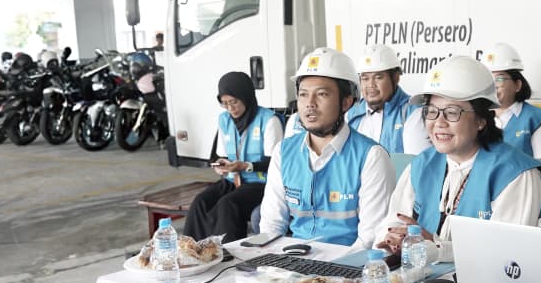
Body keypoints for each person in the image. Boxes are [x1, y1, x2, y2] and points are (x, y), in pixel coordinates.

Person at [377, 55, 541, 262]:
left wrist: (436, 248)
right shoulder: (421, 165)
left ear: (481, 120)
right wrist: (394, 238)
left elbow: (507, 256)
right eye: (431, 111)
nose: (439, 122)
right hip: (426, 277)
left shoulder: (515, 174)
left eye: (452, 112)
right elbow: (392, 223)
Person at [258, 47, 395, 248]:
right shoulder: (283, 152)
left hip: (348, 263)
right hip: (293, 260)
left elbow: (370, 239)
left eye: (321, 94)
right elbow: (271, 225)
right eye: (303, 94)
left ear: (346, 102)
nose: (310, 104)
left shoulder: (371, 157)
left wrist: (334, 267)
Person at [184, 71, 282, 241]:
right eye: (225, 103)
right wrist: (221, 165)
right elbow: (221, 155)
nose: (230, 108)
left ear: (246, 96)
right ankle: (193, 249)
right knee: (201, 201)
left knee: (227, 204)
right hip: (233, 180)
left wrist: (246, 166)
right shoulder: (224, 120)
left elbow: (275, 163)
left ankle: (227, 251)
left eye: (234, 102)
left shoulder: (268, 120)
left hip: (261, 185)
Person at [345, 43, 430, 154]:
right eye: (365, 79)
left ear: (395, 78)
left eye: (378, 77)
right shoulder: (351, 113)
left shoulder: (413, 112)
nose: (371, 85)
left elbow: (417, 162)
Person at [481, 43, 541, 159]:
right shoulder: (478, 118)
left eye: (499, 79)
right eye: (488, 79)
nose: (493, 86)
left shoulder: (536, 120)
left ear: (517, 85)